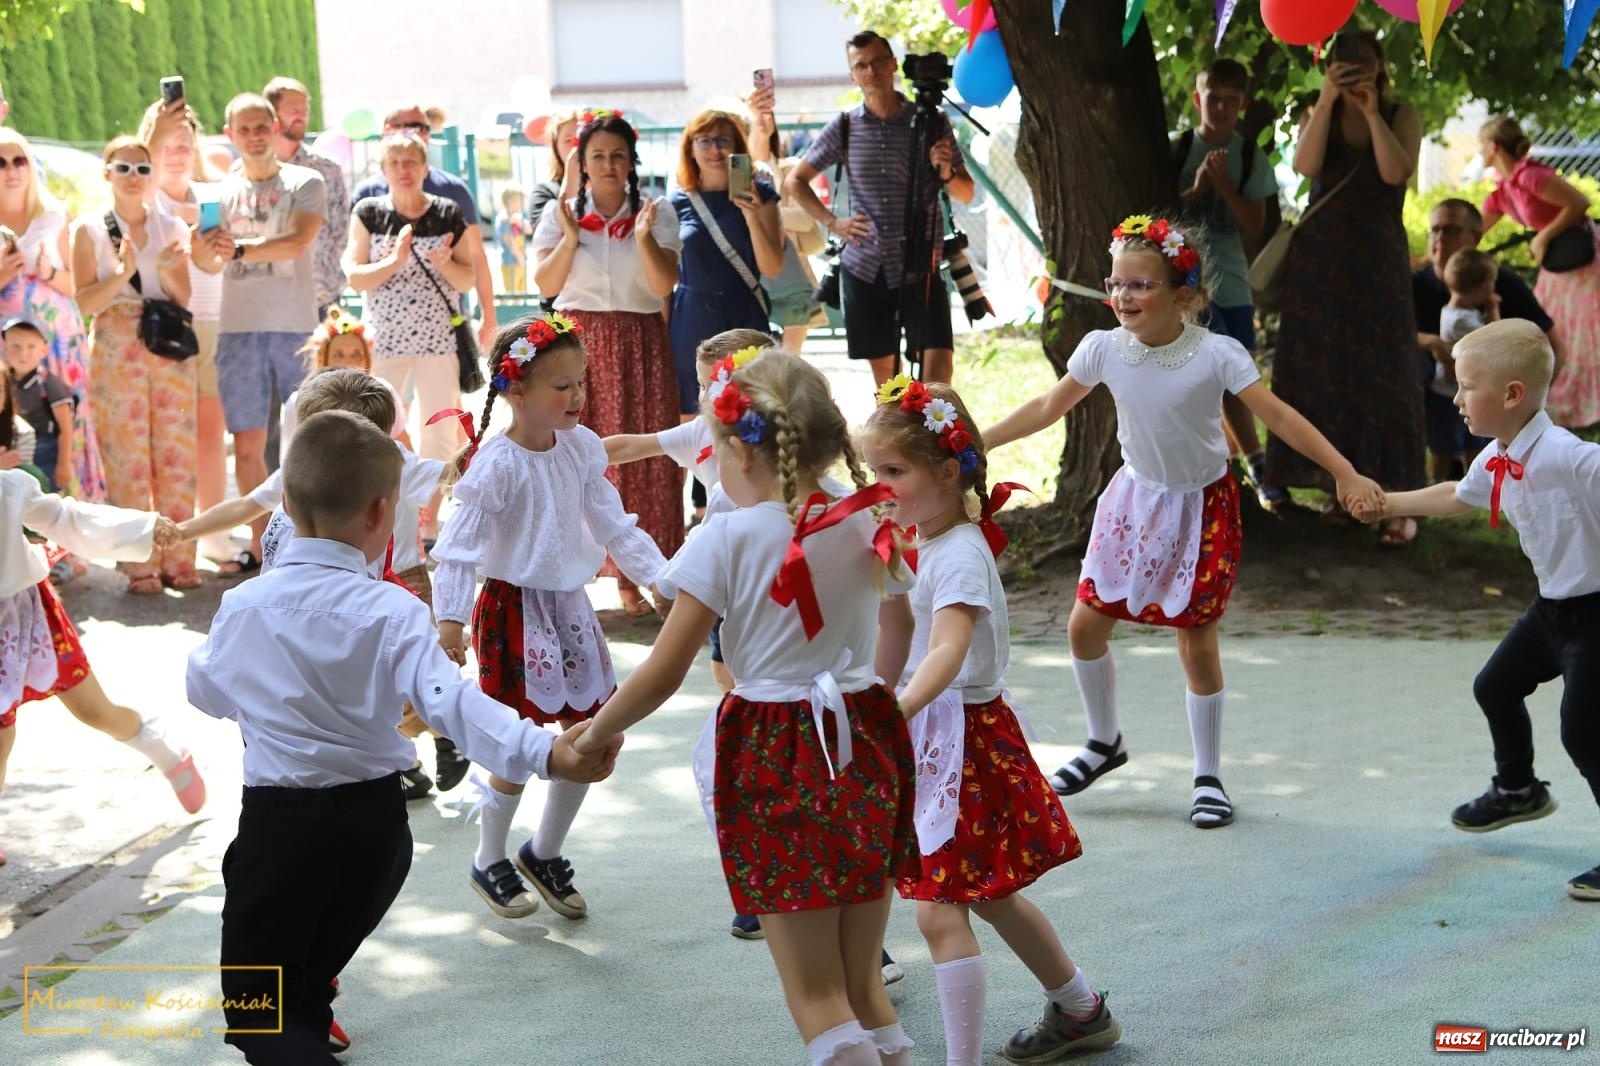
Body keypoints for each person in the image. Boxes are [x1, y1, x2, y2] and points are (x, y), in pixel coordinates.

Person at [187, 409, 621, 1065]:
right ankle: (310, 1010)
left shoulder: (246, 606)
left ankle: (298, 1025)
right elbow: (451, 702)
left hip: (280, 829)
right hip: (377, 834)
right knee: (309, 976)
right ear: (380, 514)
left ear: (284, 501)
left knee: (259, 1015)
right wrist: (547, 750)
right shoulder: (392, 608)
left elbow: (207, 691)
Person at [574, 349, 920, 1066]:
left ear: (737, 450)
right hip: (866, 738)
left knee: (815, 993)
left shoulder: (725, 537)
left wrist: (594, 732)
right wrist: (874, 697)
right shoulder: (864, 520)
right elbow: (901, 624)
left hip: (775, 750)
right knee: (863, 984)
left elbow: (666, 670)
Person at [985, 215, 1382, 827]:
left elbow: (1279, 417)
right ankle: (1103, 742)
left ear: (1185, 295)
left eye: (1141, 285)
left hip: (1202, 507)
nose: (1124, 296)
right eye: (1116, 284)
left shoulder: (1216, 354)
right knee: (1084, 626)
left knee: (1196, 643)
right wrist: (980, 442)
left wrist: (1343, 471)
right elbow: (1046, 405)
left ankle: (1208, 775)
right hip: (1133, 502)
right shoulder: (1102, 349)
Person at [862, 379, 1119, 1063]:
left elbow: (947, 650)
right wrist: (878, 698)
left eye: (894, 472)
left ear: (947, 473)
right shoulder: (913, 539)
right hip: (932, 734)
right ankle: (1081, 1008)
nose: (879, 486)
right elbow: (898, 630)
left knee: (939, 907)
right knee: (990, 896)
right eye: (872, 472)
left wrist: (898, 709)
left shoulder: (961, 554)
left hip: (963, 741)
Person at [430, 314, 667, 921]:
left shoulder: (583, 448)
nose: (578, 396)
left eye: (580, 382)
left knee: (597, 732)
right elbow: (459, 545)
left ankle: (545, 851)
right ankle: (489, 858)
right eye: (561, 386)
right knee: (517, 744)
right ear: (515, 390)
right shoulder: (497, 464)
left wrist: (662, 582)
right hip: (512, 611)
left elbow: (614, 523)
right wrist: (450, 618)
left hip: (570, 608)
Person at [1357, 320, 1600, 902]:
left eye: (1465, 387)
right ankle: (1518, 790)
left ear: (1512, 395)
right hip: (1552, 612)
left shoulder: (1570, 456)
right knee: (1495, 686)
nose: (1456, 398)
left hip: (1596, 616)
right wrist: (1387, 502)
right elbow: (1457, 495)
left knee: (1584, 732)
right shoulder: (1497, 456)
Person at [178, 369, 468, 799]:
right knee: (365, 702)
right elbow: (210, 684)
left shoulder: (395, 465)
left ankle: (433, 745)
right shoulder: (301, 471)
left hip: (388, 586)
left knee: (401, 696)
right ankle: (409, 760)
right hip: (297, 621)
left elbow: (447, 476)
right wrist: (182, 532)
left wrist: (482, 455)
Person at [1266, 30, 1424, 546]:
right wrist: (1329, 100)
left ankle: (1401, 499)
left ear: (1380, 65)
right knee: (1326, 372)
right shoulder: (1322, 109)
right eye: (1342, 63)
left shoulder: (1402, 113)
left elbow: (1394, 171)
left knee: (1385, 371)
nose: (1353, 70)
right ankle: (1341, 488)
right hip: (1320, 265)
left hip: (1377, 264)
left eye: (1362, 62)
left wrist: (1371, 111)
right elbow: (1305, 166)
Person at [2, 467, 203, 867]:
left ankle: (163, 750)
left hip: (24, 615)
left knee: (95, 711)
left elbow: (66, 519)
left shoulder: (9, 486)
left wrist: (143, 527)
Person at [532, 109, 683, 617]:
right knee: (575, 454)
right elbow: (547, 287)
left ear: (631, 161)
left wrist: (642, 238)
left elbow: (664, 286)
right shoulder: (560, 214)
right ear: (582, 161)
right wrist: (572, 237)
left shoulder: (656, 213)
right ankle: (572, 571)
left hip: (640, 337)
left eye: (618, 155)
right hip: (580, 339)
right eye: (598, 155)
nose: (609, 164)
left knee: (645, 453)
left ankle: (643, 572)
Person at [785, 30, 977, 386]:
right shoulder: (844, 127)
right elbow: (795, 181)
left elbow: (965, 192)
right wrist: (833, 222)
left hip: (922, 266)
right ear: (852, 76)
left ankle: (932, 440)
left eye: (877, 61)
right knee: (889, 384)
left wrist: (946, 171)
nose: (871, 71)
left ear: (892, 64)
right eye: (861, 65)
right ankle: (897, 442)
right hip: (866, 266)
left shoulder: (931, 121)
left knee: (939, 375)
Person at [191, 93, 326, 578]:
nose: (254, 135)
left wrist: (239, 248)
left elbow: (299, 240)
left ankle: (311, 545)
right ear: (230, 134)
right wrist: (205, 246)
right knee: (247, 444)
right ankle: (265, 549)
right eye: (243, 128)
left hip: (294, 326)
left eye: (261, 125)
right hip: (239, 330)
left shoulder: (304, 180)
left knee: (307, 437)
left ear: (274, 127)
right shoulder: (217, 192)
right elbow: (206, 261)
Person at [72, 136, 198, 593]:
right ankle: (137, 563)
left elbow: (185, 297)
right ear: (106, 174)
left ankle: (181, 557)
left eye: (143, 169)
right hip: (115, 341)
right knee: (126, 458)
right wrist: (124, 272)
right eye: (123, 168)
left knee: (176, 455)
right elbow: (84, 299)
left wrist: (163, 270)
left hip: (165, 342)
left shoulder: (170, 226)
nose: (133, 177)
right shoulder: (86, 229)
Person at [1174, 58, 1283, 511]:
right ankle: (1244, 464)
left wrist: (1224, 186)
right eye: (1212, 98)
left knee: (1237, 378)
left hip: (1233, 286)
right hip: (1182, 290)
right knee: (1195, 381)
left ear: (1241, 105)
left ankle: (1252, 466)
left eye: (1230, 100)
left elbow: (1255, 225)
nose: (1220, 107)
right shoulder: (1178, 148)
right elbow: (1162, 213)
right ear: (1198, 99)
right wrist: (1197, 189)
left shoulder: (1250, 156)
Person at [343, 132, 473, 463]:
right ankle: (385, 500)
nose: (403, 169)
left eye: (411, 161)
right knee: (373, 423)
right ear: (383, 169)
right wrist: (393, 262)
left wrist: (445, 264)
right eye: (395, 163)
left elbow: (467, 277)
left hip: (437, 341)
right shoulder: (368, 213)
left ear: (425, 167)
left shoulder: (446, 212)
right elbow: (355, 278)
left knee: (439, 430)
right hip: (383, 339)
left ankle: (431, 509)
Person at [141, 99, 230, 562]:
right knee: (168, 436)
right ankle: (164, 541)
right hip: (166, 328)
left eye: (185, 144)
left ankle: (212, 534)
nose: (177, 153)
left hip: (212, 321)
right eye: (169, 145)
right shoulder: (144, 194)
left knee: (211, 433)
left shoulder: (212, 196)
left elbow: (219, 260)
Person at [1414, 198, 1555, 482]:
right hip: (1435, 386)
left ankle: (1480, 481)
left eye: (1451, 230)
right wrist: (1430, 341)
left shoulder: (1500, 281)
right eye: (1435, 230)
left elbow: (1547, 339)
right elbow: (1391, 335)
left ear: (1475, 237)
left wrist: (1535, 403)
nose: (1440, 238)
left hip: (1487, 389)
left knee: (1476, 444)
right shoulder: (1415, 283)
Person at [0, 127, 105, 502]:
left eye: (20, 160)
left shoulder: (56, 215)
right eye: (1, 162)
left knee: (65, 421)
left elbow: (76, 285)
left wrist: (45, 272)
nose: (11, 170)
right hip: (7, 348)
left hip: (58, 342)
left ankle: (73, 528)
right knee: (10, 425)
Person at [1479, 115, 1600, 430]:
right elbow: (1472, 231)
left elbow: (1579, 203)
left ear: (1492, 148)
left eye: (1481, 146)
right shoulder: (1504, 191)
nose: (1479, 153)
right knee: (1554, 331)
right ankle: (1566, 407)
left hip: (1585, 262)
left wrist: (1543, 236)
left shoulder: (1530, 176)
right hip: (1558, 267)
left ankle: (1584, 406)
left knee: (1588, 333)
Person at [668, 107, 784, 422]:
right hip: (691, 320)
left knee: (751, 417)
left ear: (738, 147)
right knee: (695, 420)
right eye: (704, 141)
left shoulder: (763, 195)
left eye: (723, 140)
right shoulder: (677, 203)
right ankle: (702, 476)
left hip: (744, 315)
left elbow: (772, 267)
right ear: (690, 149)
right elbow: (663, 278)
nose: (715, 149)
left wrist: (751, 214)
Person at [351, 105, 499, 349]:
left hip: (443, 328)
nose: (413, 134)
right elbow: (354, 266)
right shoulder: (368, 197)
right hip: (384, 332)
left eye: (421, 127)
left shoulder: (453, 191)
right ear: (387, 132)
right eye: (405, 127)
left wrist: (489, 317)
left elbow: (476, 257)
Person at [746, 92, 827, 353]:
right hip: (751, 278)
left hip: (793, 280)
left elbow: (805, 218)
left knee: (790, 360)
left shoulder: (790, 168)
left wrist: (764, 213)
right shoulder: (729, 180)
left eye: (762, 124)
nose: (758, 129)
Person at [265, 76, 351, 317]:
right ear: (273, 114)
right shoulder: (255, 170)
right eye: (293, 109)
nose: (301, 115)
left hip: (321, 296)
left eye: (305, 109)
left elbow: (340, 229)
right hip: (269, 299)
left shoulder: (327, 168)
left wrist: (324, 269)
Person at [280, 309, 409, 457]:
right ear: (323, 359)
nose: (349, 362)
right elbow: (289, 463)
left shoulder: (385, 392)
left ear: (368, 359)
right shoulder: (297, 403)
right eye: (339, 355)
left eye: (357, 354)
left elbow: (405, 451)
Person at [4, 316, 71, 492]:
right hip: (15, 450)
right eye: (15, 346)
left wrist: (63, 463)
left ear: (44, 349)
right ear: (4, 346)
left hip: (45, 452)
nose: (23, 354)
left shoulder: (49, 383)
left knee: (44, 501)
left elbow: (66, 426)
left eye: (31, 346)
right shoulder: (4, 381)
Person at [529, 110, 581, 233]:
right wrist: (573, 172)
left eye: (582, 139)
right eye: (568, 140)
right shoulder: (543, 193)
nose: (577, 146)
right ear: (556, 148)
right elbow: (548, 237)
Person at [495, 185, 528, 292]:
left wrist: (516, 221)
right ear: (510, 201)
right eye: (520, 200)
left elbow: (529, 229)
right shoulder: (503, 219)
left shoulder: (517, 217)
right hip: (511, 263)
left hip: (520, 262)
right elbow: (509, 240)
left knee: (522, 292)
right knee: (512, 294)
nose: (523, 204)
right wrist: (520, 258)